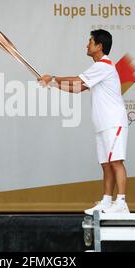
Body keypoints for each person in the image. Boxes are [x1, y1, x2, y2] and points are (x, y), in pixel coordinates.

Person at [38, 29, 129, 214]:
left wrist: (53, 77)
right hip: (102, 124)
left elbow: (77, 79)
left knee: (116, 162)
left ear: (99, 46)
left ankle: (121, 202)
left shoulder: (104, 65)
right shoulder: (99, 69)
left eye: (90, 41)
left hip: (113, 122)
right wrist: (53, 84)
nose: (87, 45)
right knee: (106, 164)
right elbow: (78, 88)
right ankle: (106, 201)